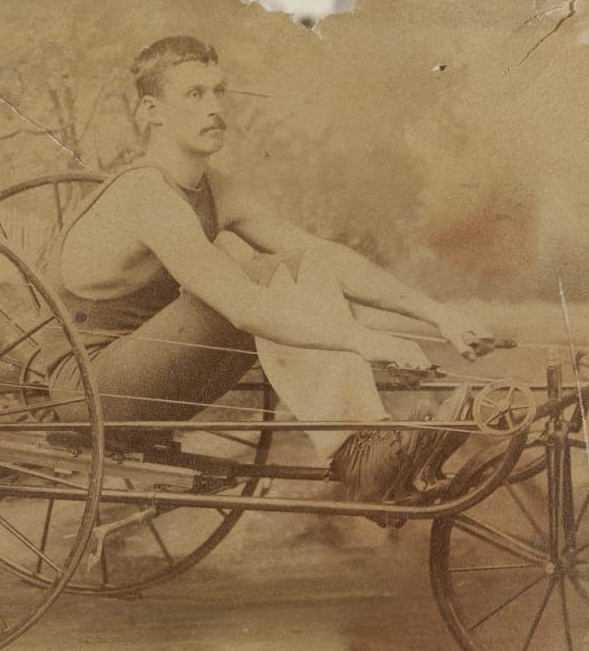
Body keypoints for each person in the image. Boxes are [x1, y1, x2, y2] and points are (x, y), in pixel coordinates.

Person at [39, 36, 494, 503]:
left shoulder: (216, 188)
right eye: (195, 95)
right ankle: (359, 459)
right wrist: (360, 339)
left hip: (151, 375)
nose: (215, 107)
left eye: (219, 91)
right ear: (152, 111)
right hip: (91, 395)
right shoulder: (147, 197)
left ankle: (369, 445)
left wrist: (437, 313)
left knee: (302, 264)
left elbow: (321, 255)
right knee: (251, 278)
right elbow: (243, 308)